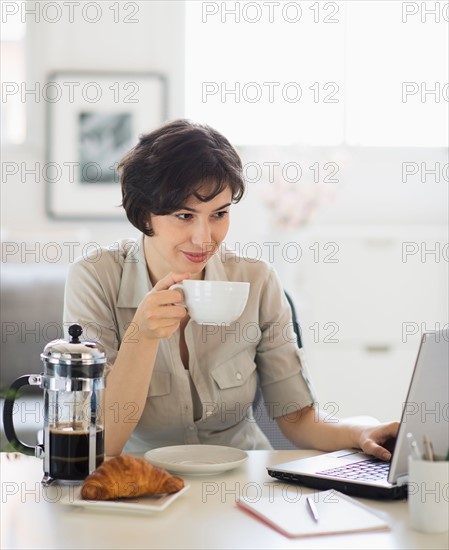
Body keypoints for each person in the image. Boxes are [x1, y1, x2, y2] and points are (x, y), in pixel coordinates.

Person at [64, 119, 399, 457]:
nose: (204, 238)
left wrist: (360, 431)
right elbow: (101, 444)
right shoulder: (95, 278)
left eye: (219, 214)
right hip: (142, 485)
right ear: (145, 214)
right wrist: (142, 337)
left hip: (242, 480)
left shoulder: (256, 280)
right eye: (184, 216)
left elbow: (298, 417)